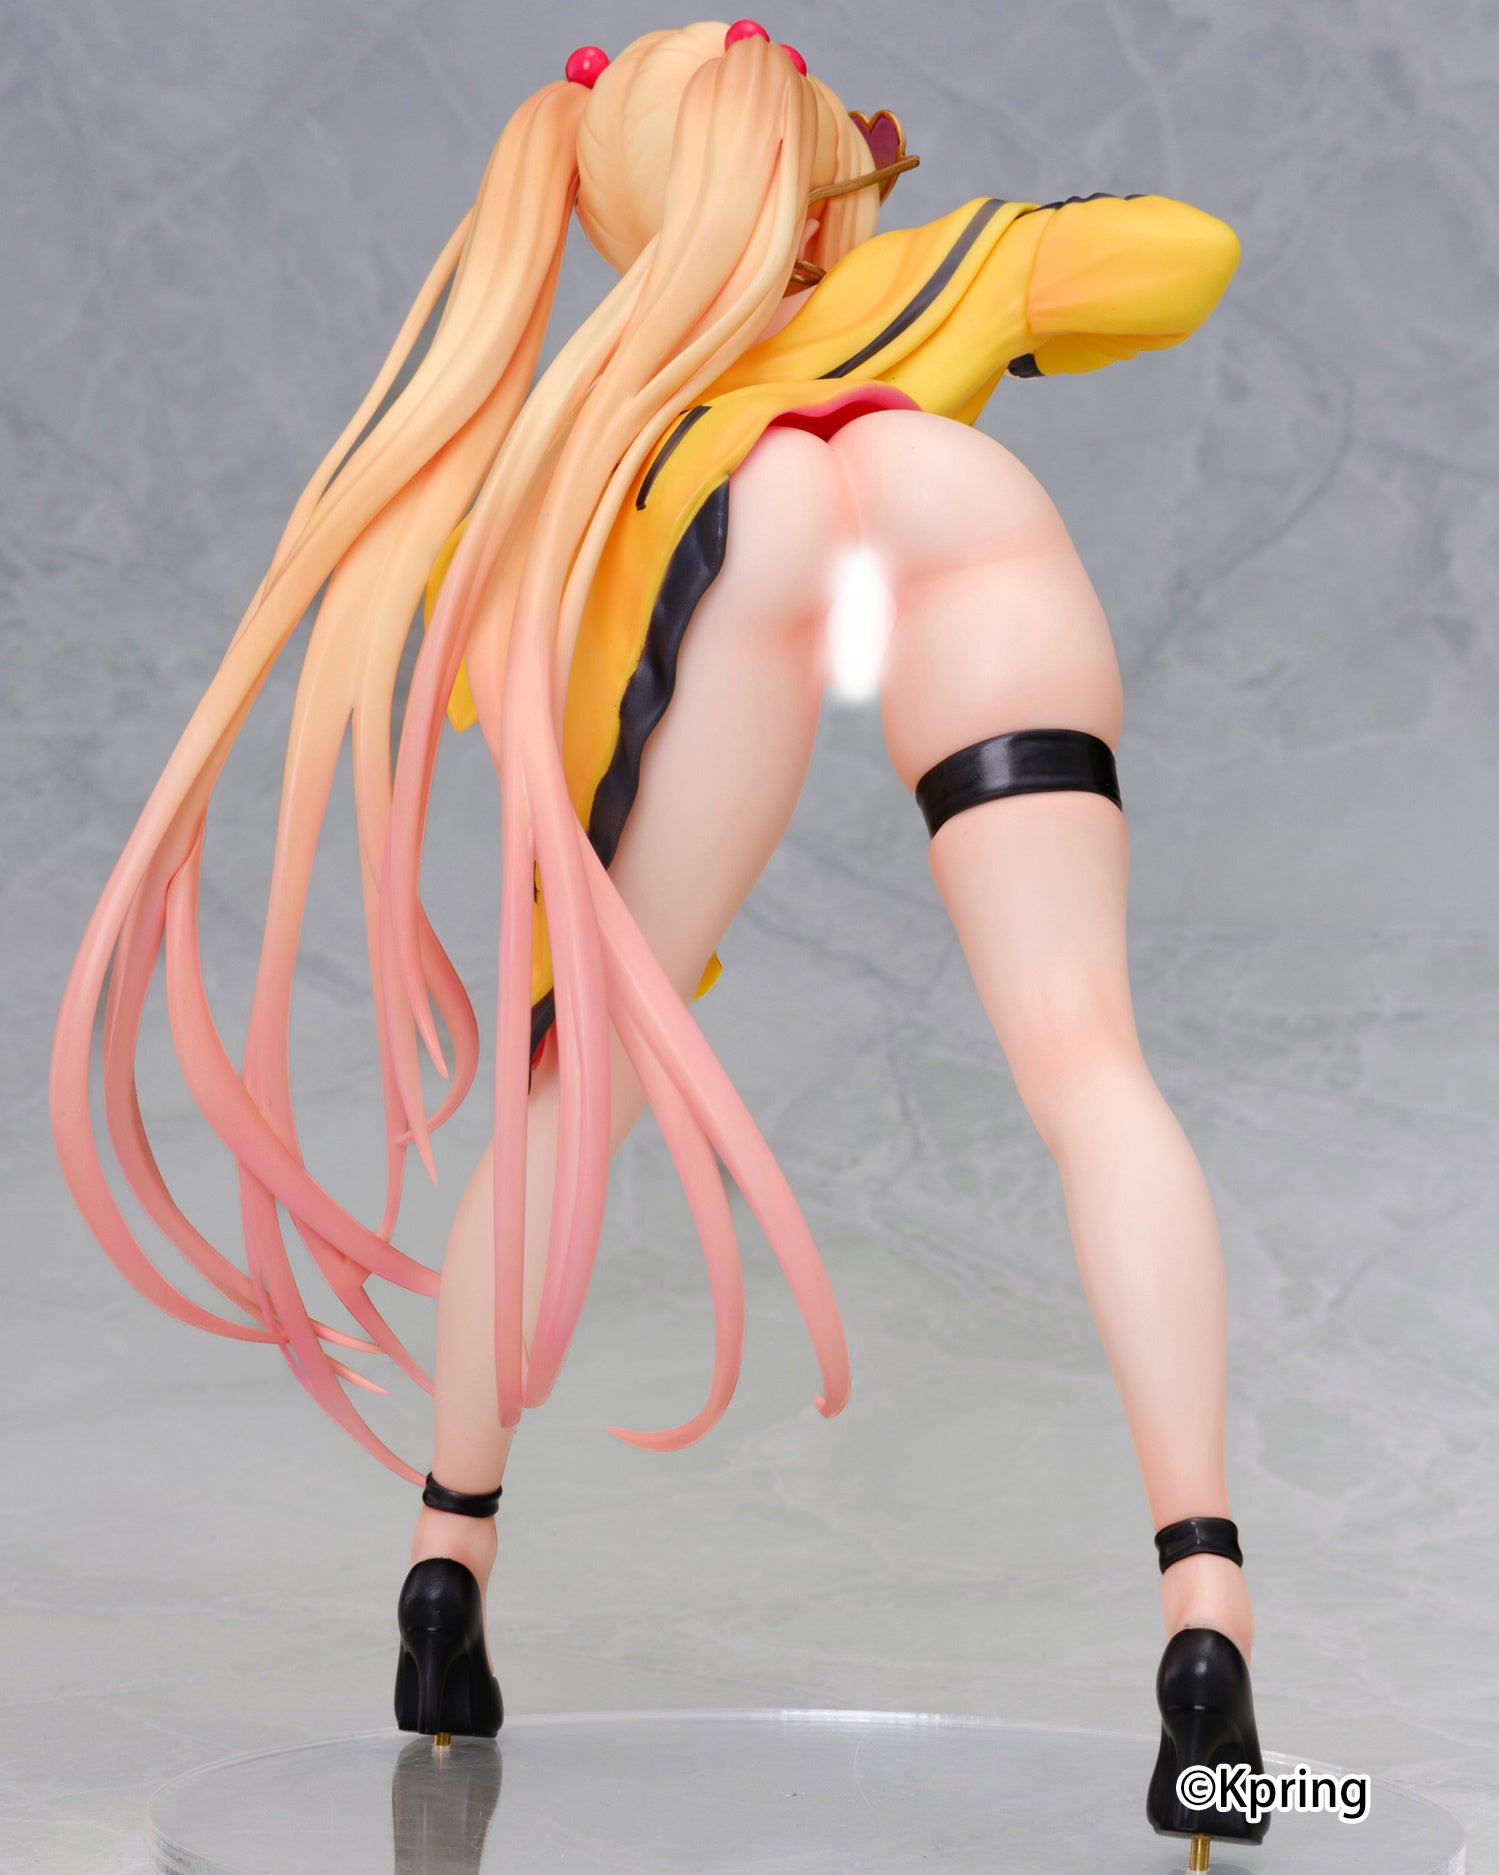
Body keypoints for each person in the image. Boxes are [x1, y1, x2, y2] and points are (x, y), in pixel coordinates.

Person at [51, 20, 1263, 1861]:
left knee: (570, 1091)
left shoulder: (606, 419)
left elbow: (484, 689)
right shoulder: (935, 274)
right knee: (1088, 1060)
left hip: (726, 534)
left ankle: (446, 1572)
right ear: (819, 189)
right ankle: (1208, 1625)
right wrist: (1014, 263)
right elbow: (1185, 259)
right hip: (958, 507)